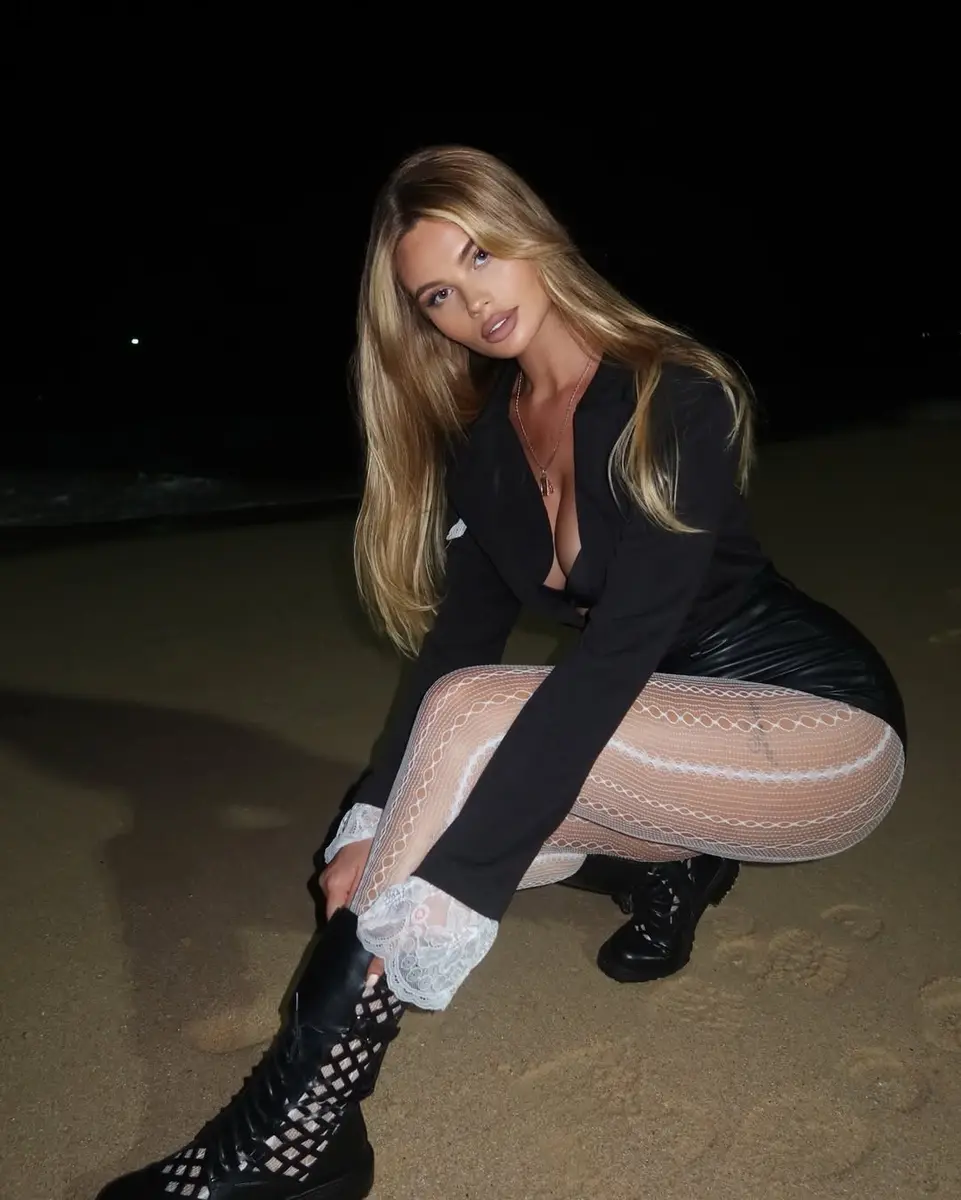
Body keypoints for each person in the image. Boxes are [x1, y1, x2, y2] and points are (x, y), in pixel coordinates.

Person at [97, 145, 907, 1199]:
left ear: (532, 236)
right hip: (664, 746)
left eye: (480, 255)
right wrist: (370, 822)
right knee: (425, 806)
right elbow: (456, 645)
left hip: (816, 734)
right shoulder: (488, 447)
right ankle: (671, 865)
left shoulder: (674, 393)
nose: (471, 302)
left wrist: (443, 886)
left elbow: (612, 655)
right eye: (437, 293)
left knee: (463, 784)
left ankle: (294, 1126)